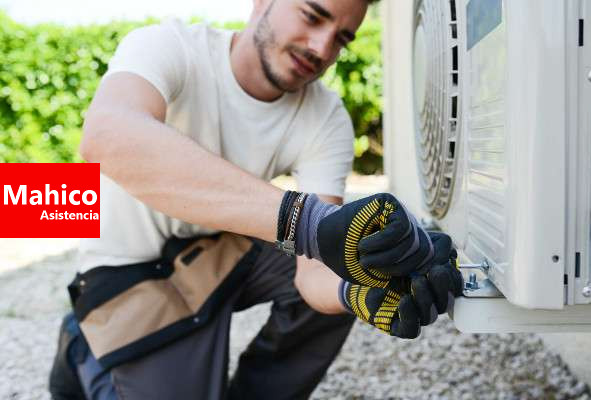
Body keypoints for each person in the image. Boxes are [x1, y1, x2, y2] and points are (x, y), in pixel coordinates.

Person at [48, 1, 463, 399]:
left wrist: (358, 292)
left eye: (341, 39)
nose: (322, 48)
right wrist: (306, 223)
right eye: (312, 15)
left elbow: (313, 271)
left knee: (354, 260)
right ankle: (83, 342)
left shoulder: (325, 116)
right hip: (128, 272)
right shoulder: (170, 45)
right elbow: (106, 136)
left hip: (217, 253)